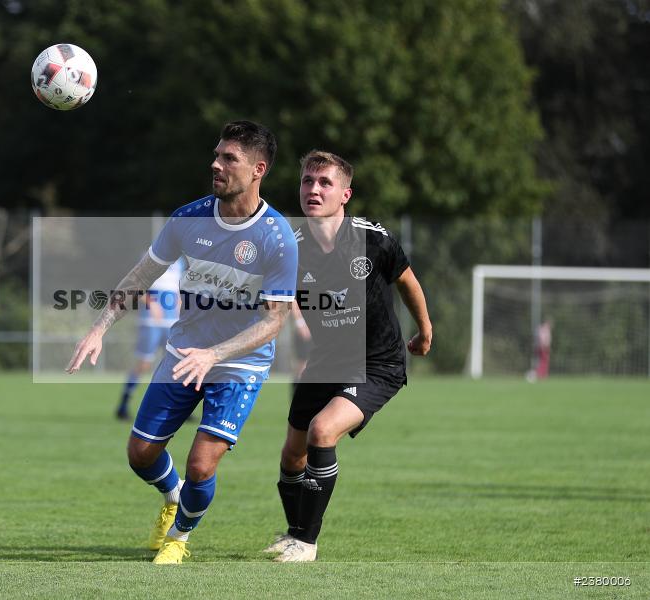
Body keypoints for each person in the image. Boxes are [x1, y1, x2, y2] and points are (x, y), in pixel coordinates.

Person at [67, 121, 298, 564]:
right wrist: (99, 328)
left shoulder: (278, 236)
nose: (216, 163)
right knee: (140, 453)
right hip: (182, 352)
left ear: (258, 170)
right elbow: (141, 276)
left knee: (200, 465)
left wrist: (215, 354)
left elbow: (273, 322)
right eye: (216, 154)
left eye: (229, 158)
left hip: (239, 365)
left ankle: (179, 535)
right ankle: (174, 497)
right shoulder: (187, 218)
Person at [265, 150, 432, 562]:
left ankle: (307, 542)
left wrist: (425, 330)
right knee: (292, 454)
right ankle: (293, 533)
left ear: (345, 194)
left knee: (323, 430)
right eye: (307, 181)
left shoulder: (373, 239)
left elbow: (408, 281)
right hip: (325, 359)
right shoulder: (290, 245)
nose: (313, 190)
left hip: (378, 363)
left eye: (324, 183)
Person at [116, 259, 183, 420]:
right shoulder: (153, 256)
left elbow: (180, 289)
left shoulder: (180, 263)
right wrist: (151, 303)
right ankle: (123, 404)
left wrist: (181, 309)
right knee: (144, 364)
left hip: (172, 323)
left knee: (177, 365)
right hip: (151, 322)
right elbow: (136, 285)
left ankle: (179, 409)